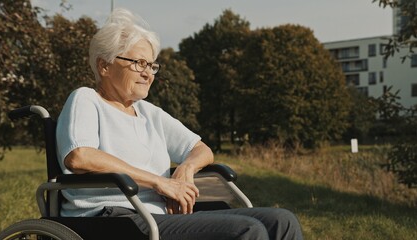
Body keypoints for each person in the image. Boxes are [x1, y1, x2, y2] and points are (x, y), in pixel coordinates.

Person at [56, 8, 303, 240]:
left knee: (282, 221)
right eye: (139, 63)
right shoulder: (86, 99)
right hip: (112, 217)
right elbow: (80, 156)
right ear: (104, 65)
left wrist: (186, 169)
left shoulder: (149, 113)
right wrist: (160, 182)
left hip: (159, 216)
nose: (148, 73)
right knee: (247, 231)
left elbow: (202, 150)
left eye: (151, 65)